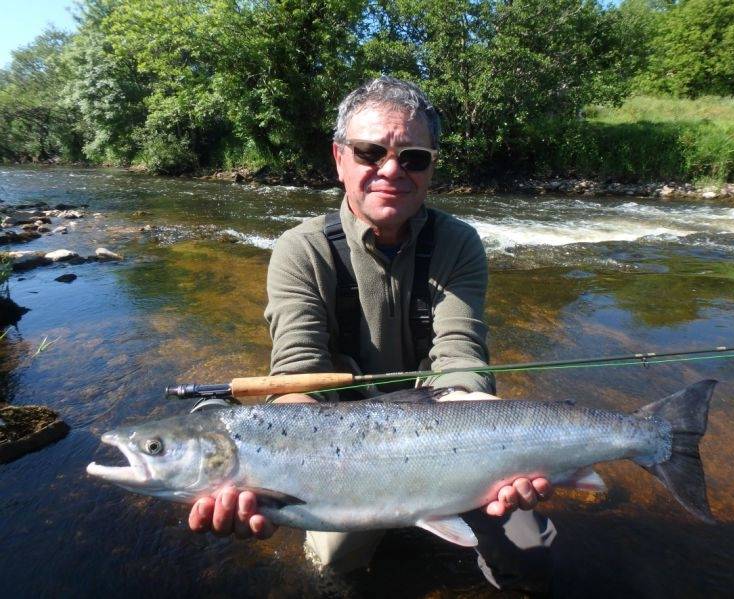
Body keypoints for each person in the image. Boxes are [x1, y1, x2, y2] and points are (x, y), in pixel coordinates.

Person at [188, 76, 554, 591]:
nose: (391, 170)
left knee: (532, 559)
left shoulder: (459, 243)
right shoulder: (301, 250)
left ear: (430, 168)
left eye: (413, 158)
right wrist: (264, 469)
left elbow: (460, 352)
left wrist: (482, 419)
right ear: (340, 159)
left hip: (445, 435)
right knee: (338, 566)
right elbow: (297, 374)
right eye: (370, 151)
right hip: (344, 450)